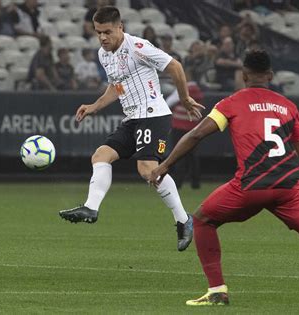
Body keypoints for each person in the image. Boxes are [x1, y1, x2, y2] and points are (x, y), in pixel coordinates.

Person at [149, 50, 299, 309]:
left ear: (244, 75)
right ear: (270, 76)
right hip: (289, 188)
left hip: (249, 186)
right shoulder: (288, 106)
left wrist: (166, 165)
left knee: (202, 220)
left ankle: (217, 291)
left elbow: (195, 136)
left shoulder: (232, 103)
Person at [58, 6, 204, 251]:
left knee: (147, 169)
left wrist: (185, 98)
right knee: (101, 155)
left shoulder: (138, 47)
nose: (103, 37)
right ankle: (91, 208)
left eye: (107, 32)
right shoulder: (104, 55)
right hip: (132, 118)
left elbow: (175, 67)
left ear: (120, 28)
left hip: (154, 115)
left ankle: (183, 219)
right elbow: (117, 87)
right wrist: (95, 106)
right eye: (98, 33)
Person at [166, 72, 203, 189]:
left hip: (179, 126)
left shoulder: (183, 88)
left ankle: (178, 182)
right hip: (194, 127)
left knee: (178, 154)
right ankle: (195, 182)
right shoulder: (197, 90)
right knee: (193, 156)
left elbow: (169, 102)